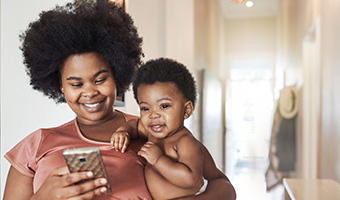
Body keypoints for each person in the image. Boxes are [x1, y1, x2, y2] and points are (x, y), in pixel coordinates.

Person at [3, 1, 236, 200]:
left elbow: (223, 187)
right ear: (61, 86)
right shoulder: (37, 145)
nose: (89, 92)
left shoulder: (153, 130)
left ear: (117, 76)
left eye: (100, 79)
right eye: (76, 84)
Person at [111, 58, 208, 199]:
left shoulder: (185, 142)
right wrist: (123, 132)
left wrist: (158, 160)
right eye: (145, 108)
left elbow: (191, 179)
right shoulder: (152, 132)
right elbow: (134, 125)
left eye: (164, 106)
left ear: (186, 110)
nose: (153, 115)